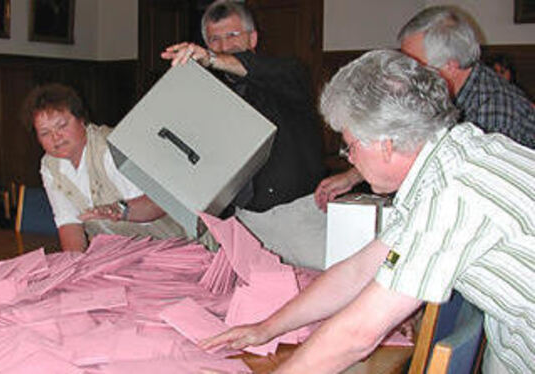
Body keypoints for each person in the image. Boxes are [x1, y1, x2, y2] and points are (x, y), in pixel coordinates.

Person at [201, 50, 534, 374]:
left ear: (385, 143)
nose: (348, 158)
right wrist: (266, 328)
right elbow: (358, 270)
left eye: (350, 145)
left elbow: (359, 334)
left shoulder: (451, 193)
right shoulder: (453, 155)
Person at [314, 5, 535, 211]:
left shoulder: (493, 115)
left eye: (415, 65)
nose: (406, 73)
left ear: (450, 66)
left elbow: (466, 206)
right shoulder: (460, 89)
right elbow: (407, 144)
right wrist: (355, 175)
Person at [161, 0, 326, 213]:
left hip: (292, 210)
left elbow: (259, 69)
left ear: (253, 38)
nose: (225, 46)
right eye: (215, 39)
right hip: (236, 215)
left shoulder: (289, 72)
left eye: (232, 35)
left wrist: (211, 59)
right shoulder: (210, 93)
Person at [22, 83, 185, 252]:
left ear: (82, 120)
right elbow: (69, 224)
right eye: (45, 133)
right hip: (121, 255)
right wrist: (73, 266)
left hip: (174, 247)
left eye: (62, 126)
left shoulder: (111, 149)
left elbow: (158, 204)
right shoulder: (50, 166)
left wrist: (120, 210)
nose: (56, 137)